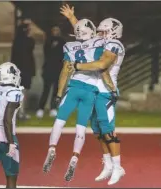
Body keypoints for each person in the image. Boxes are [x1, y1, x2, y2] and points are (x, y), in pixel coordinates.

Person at [60, 4, 125, 185]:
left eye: (104, 32)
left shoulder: (115, 45)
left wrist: (78, 66)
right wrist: (72, 18)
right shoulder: (102, 41)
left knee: (108, 130)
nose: (100, 35)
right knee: (97, 131)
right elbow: (87, 33)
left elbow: (101, 65)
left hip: (106, 92)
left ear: (113, 32)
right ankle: (108, 163)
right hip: (95, 91)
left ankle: (118, 167)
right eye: (100, 32)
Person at [42, 19, 109, 182]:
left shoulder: (70, 46)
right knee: (80, 128)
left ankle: (52, 149)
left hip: (73, 88)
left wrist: (59, 93)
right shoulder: (98, 43)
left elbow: (65, 71)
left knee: (59, 121)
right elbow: (102, 65)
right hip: (91, 90)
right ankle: (75, 157)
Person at [0, 62, 24, 188]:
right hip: (5, 136)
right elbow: (7, 120)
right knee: (11, 176)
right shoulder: (14, 92)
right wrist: (11, 143)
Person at [36, 26, 66, 118]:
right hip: (48, 69)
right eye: (54, 30)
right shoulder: (48, 42)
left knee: (56, 90)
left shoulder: (62, 42)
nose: (55, 32)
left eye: (57, 30)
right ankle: (41, 108)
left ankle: (53, 108)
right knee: (46, 90)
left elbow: (63, 55)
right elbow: (47, 53)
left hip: (58, 69)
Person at [11, 19, 35, 120]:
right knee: (22, 91)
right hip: (24, 69)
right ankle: (21, 112)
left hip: (20, 69)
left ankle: (20, 112)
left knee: (19, 91)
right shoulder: (27, 41)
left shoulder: (17, 40)